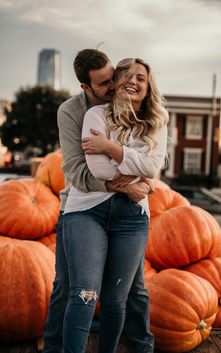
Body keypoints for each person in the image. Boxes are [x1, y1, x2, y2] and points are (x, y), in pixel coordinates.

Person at [43, 49, 156, 353]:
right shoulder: (72, 111)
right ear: (86, 87)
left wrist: (141, 179)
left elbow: (155, 159)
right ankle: (53, 348)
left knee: (133, 288)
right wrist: (125, 185)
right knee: (68, 286)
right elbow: (77, 171)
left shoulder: (135, 107)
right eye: (104, 84)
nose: (113, 86)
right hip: (79, 203)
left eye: (113, 78)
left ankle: (142, 345)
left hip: (128, 209)